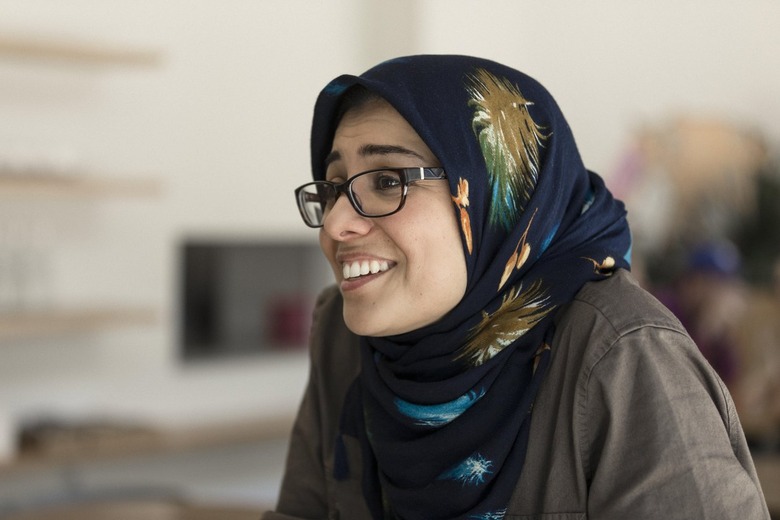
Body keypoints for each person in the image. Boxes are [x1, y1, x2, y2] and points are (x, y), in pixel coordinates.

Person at [263, 55, 770, 519]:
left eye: (389, 181)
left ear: (497, 194)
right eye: (333, 187)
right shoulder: (343, 334)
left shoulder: (622, 353)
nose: (335, 226)